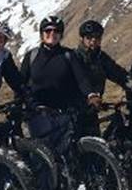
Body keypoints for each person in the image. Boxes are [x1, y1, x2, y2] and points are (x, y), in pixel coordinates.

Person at [19, 15, 99, 151]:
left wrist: (91, 94)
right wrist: (20, 105)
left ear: (61, 35)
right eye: (48, 31)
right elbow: (20, 83)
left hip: (64, 113)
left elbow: (81, 79)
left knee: (67, 151)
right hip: (38, 113)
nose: (52, 34)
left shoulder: (69, 55)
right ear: (41, 34)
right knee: (44, 155)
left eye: (56, 31)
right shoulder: (32, 56)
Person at [73, 19, 132, 136]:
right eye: (89, 38)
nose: (93, 41)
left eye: (97, 38)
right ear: (82, 39)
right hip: (74, 111)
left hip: (93, 109)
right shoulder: (74, 57)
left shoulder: (101, 59)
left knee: (96, 146)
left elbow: (120, 75)